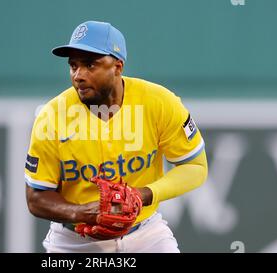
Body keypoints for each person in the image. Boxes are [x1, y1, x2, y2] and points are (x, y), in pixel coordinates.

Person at [24, 20, 208, 253]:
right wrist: (83, 213)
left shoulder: (159, 102)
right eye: (73, 66)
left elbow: (195, 166)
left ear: (118, 66)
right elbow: (35, 197)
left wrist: (143, 195)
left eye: (90, 65)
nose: (79, 75)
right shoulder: (52, 116)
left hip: (145, 234)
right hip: (75, 240)